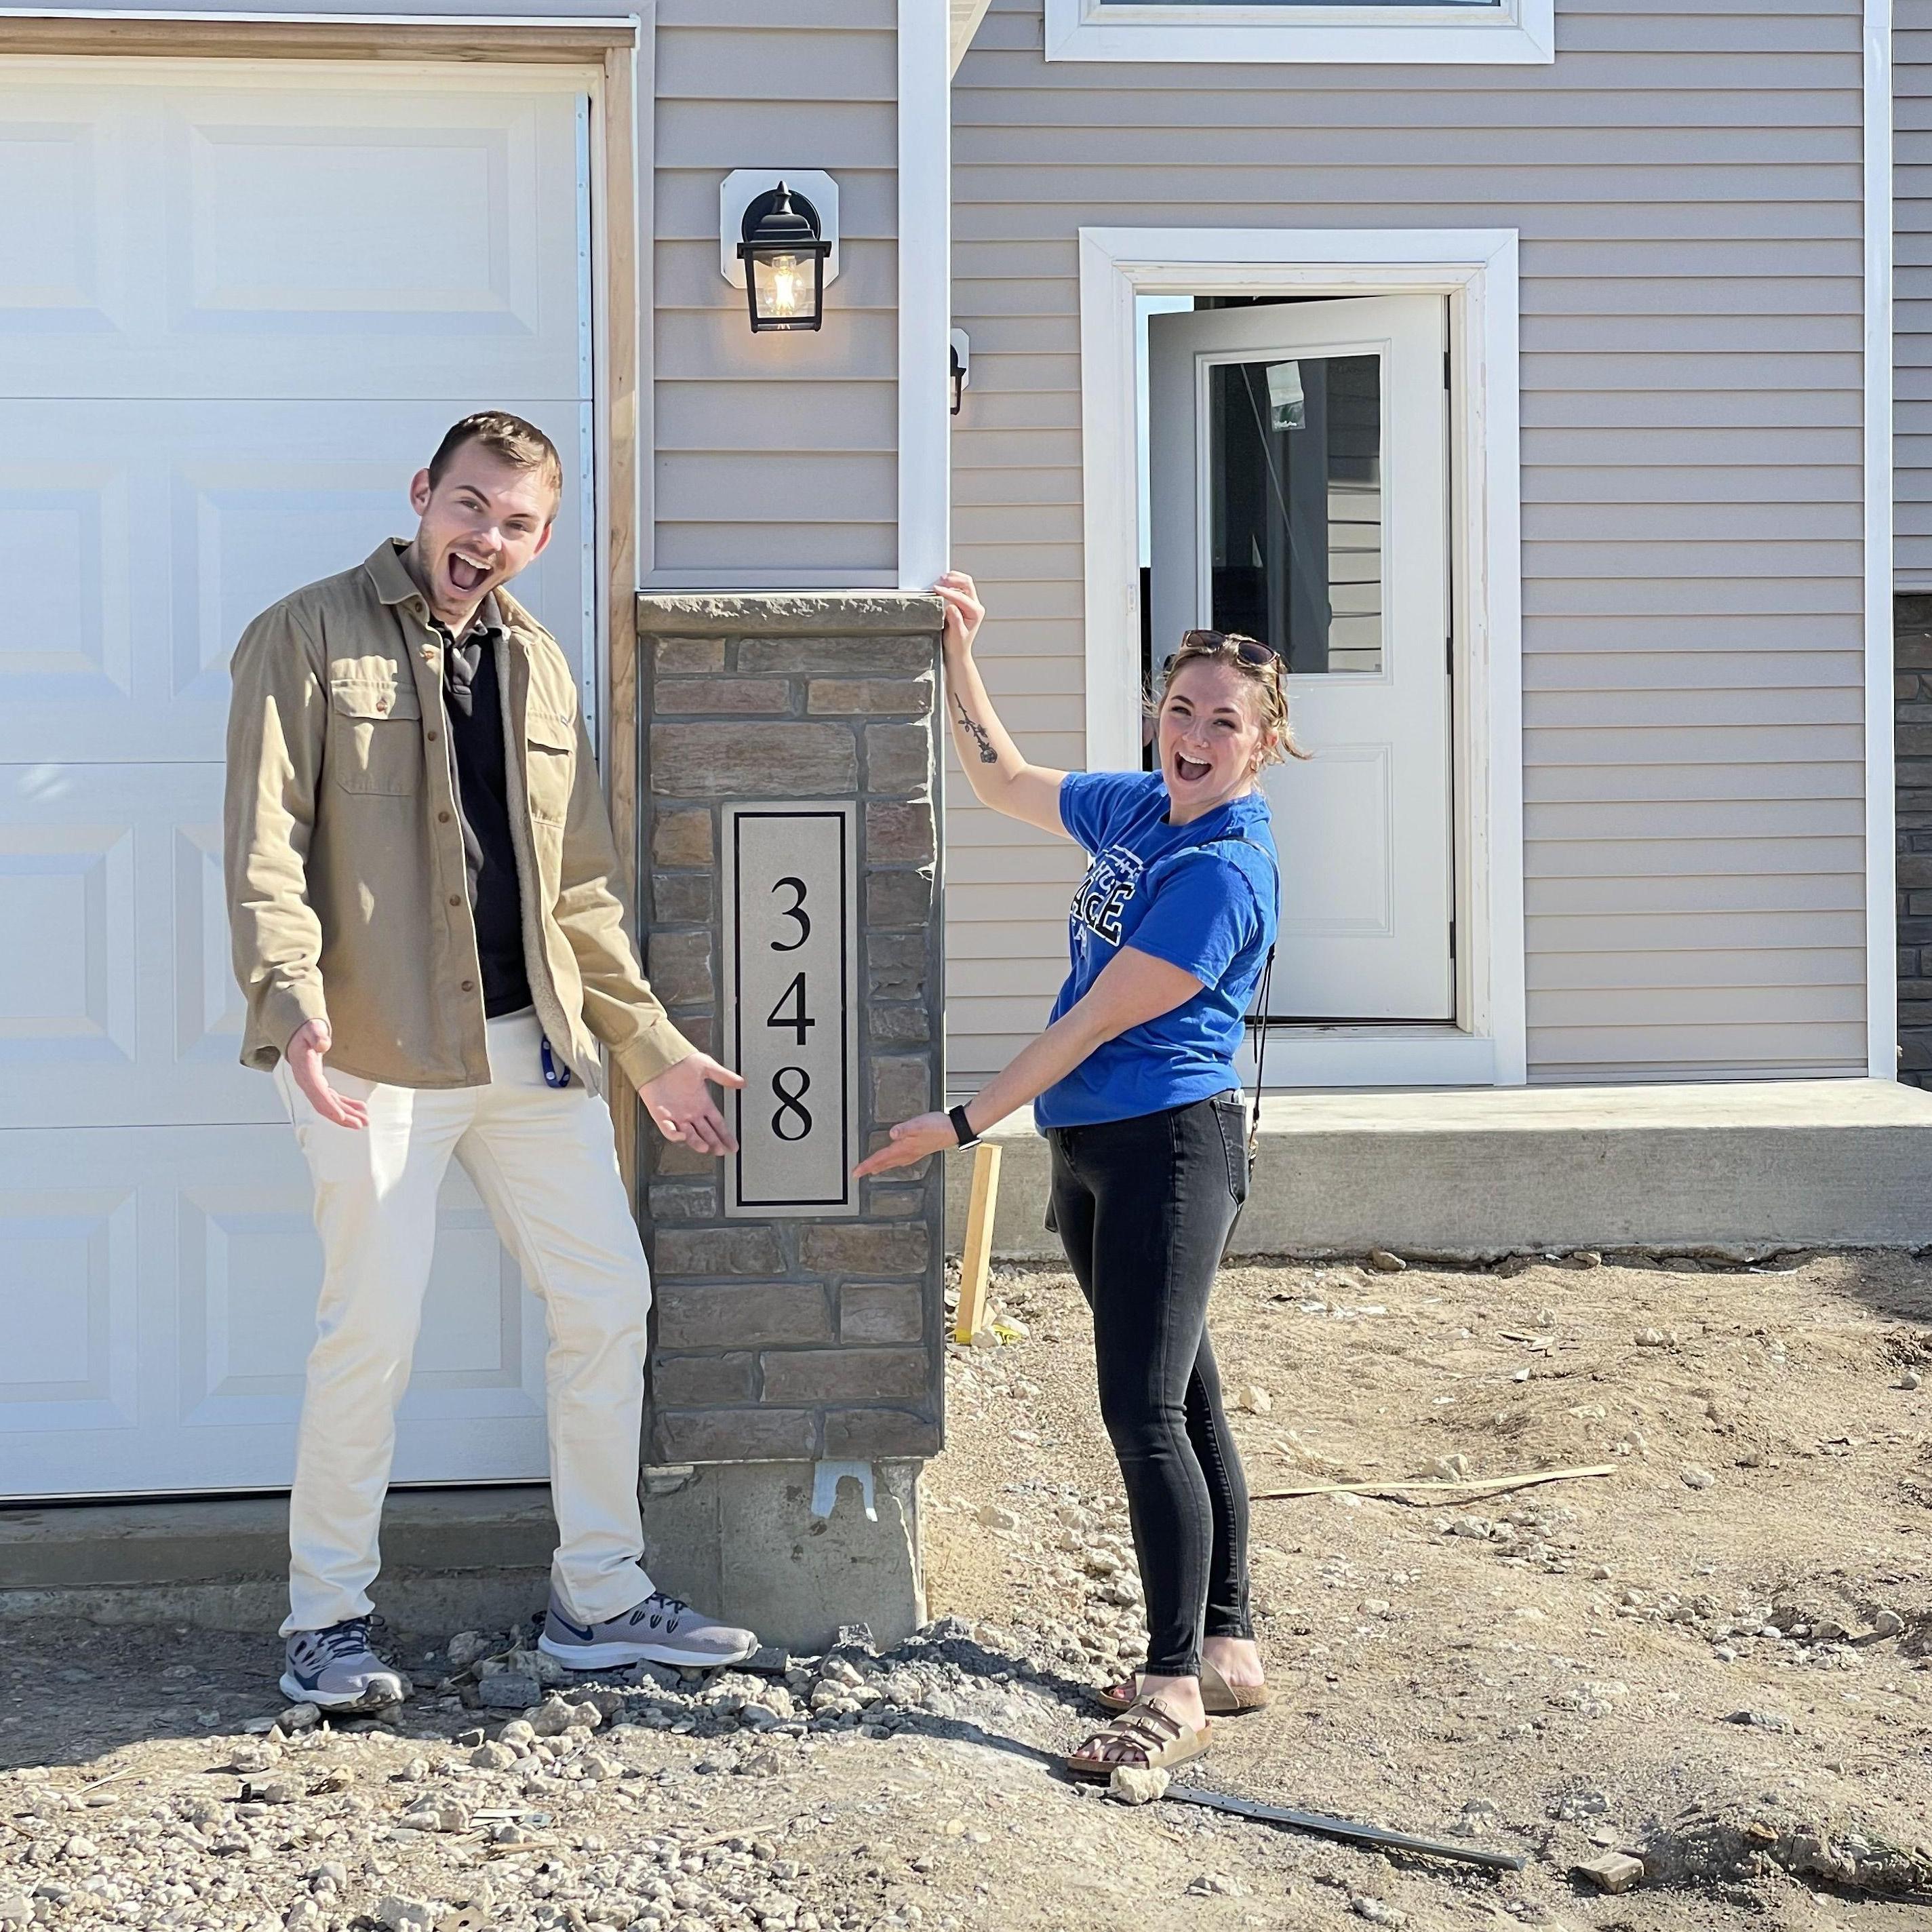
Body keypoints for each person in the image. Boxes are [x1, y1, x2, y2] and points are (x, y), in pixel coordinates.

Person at [225, 412, 757, 1710]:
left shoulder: (543, 664)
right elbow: (264, 847)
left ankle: (601, 1592)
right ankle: (326, 1617)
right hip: (372, 1055)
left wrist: (650, 1049)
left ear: (544, 534)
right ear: (423, 494)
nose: (487, 540)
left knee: (604, 1305)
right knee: (373, 1335)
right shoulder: (304, 634)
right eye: (470, 508)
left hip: (535, 1053)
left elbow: (578, 889)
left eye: (517, 523)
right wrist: (290, 1006)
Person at [857, 572, 1301, 1778]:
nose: (1196, 736)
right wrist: (958, 653)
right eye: (1181, 708)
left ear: (1263, 743)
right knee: (1186, 1393)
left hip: (1168, 1145)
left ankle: (1172, 1681)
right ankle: (1227, 1641)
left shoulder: (1221, 867)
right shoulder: (1142, 809)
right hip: (1095, 1146)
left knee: (1144, 1409)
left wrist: (958, 1123)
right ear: (1156, 712)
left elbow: (1095, 1020)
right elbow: (1002, 778)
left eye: (1224, 722)